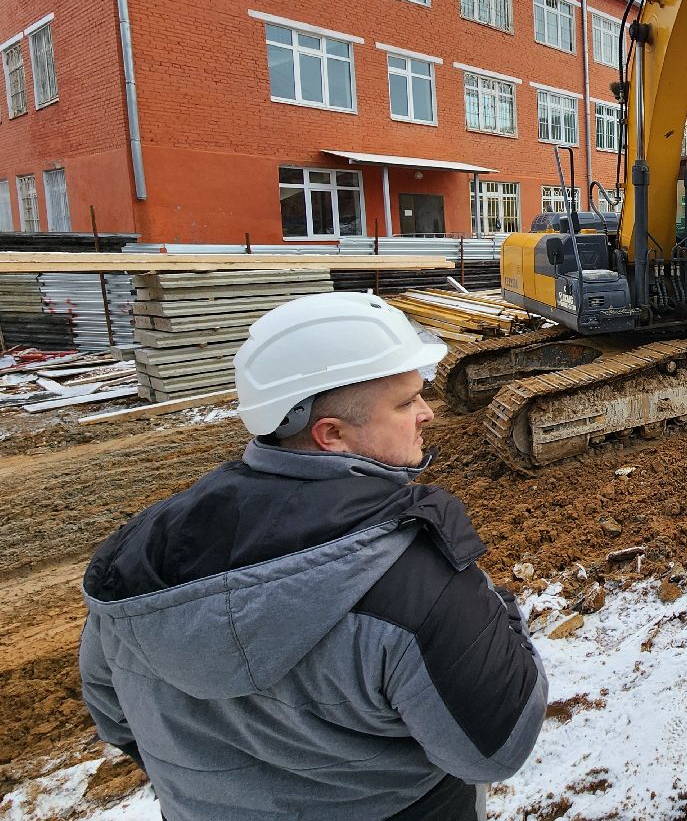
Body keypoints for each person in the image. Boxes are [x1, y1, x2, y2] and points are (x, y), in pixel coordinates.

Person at [78, 292, 547, 820]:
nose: (427, 413)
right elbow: (495, 749)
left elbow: (115, 716)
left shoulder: (136, 558)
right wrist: (498, 617)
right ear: (332, 435)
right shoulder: (418, 582)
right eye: (404, 402)